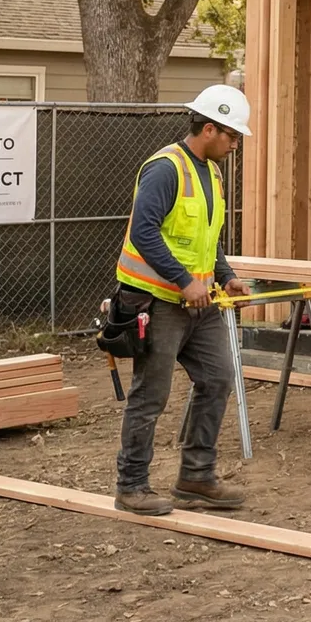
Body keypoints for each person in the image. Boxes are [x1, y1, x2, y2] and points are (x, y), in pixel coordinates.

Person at [111, 84, 253, 516]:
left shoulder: (211, 173)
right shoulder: (165, 168)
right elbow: (144, 232)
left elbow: (206, 239)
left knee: (217, 379)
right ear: (209, 129)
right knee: (150, 395)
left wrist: (225, 277)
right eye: (232, 136)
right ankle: (131, 485)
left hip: (199, 303)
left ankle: (196, 476)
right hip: (156, 302)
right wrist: (182, 280)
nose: (234, 145)